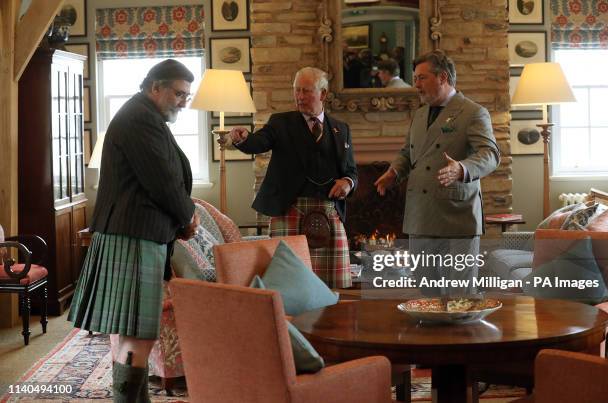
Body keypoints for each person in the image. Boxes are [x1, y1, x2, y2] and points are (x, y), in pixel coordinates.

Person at [68, 59, 199, 402]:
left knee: (132, 335)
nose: (184, 101)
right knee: (138, 337)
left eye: (187, 95)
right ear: (156, 87)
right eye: (179, 93)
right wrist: (188, 217)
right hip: (135, 236)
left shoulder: (143, 114)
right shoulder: (141, 118)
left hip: (133, 235)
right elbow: (162, 181)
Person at [374, 50, 500, 296]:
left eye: (421, 78)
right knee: (426, 290)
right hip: (420, 215)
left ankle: (464, 335)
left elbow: (490, 154)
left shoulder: (473, 112)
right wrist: (393, 172)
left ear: (442, 77)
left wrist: (461, 168)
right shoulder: (420, 113)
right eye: (415, 78)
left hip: (457, 217)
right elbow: (408, 153)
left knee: (459, 293)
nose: (416, 85)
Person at [229, 67, 357, 289]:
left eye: (306, 91)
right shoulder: (280, 123)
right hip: (290, 209)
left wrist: (348, 183)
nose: (299, 97)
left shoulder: (340, 129)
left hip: (328, 212)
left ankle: (329, 322)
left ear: (323, 94)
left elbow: (351, 171)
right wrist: (244, 139)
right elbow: (259, 142)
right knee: (287, 283)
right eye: (297, 90)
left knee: (331, 285)